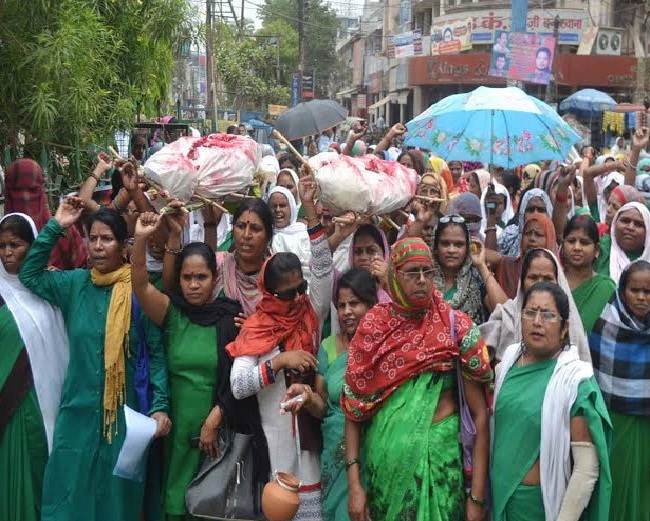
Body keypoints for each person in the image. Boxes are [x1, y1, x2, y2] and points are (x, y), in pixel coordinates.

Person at [19, 200, 170, 521]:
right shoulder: (74, 284)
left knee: (117, 504)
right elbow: (29, 275)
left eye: (107, 239)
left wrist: (160, 406)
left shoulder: (139, 291)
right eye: (93, 239)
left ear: (122, 246)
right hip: (77, 416)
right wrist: (56, 225)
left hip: (125, 420)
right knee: (67, 498)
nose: (98, 247)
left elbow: (156, 355)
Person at [343, 237, 493, 521]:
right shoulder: (373, 327)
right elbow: (354, 409)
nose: (422, 280)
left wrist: (476, 496)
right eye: (412, 273)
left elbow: (480, 415)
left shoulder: (456, 327)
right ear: (394, 276)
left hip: (441, 474)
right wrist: (354, 486)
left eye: (427, 272)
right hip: (384, 482)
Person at [130, 211, 261, 520]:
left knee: (210, 505)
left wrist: (214, 419)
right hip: (177, 433)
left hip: (218, 432)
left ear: (213, 279)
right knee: (174, 504)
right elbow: (139, 285)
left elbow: (238, 379)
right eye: (187, 278)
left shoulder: (230, 317)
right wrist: (140, 238)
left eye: (201, 277)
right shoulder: (172, 314)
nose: (192, 284)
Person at [228, 174, 332, 521]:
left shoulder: (309, 313)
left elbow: (323, 272)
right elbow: (239, 385)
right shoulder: (256, 327)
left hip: (310, 443)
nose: (300, 297)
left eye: (301, 288)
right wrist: (279, 361)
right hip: (272, 447)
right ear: (270, 294)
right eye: (290, 293)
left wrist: (313, 215)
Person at [491, 281, 611, 521]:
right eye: (530, 312)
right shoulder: (507, 365)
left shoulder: (575, 381)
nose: (537, 322)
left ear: (565, 327)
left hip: (539, 507)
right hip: (499, 500)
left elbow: (586, 469)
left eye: (547, 315)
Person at [282, 268, 378, 521]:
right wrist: (307, 395)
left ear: (371, 304)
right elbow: (323, 406)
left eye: (354, 304)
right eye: (341, 305)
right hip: (336, 453)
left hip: (376, 450)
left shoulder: (384, 347)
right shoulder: (328, 347)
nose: (346, 312)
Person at [0, 213, 70, 521]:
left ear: (33, 246)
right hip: (12, 408)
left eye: (15, 244)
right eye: (1, 246)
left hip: (53, 406)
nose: (7, 252)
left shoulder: (48, 289)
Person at [589, 260, 650, 520]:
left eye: (648, 292)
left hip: (646, 427)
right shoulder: (605, 328)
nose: (641, 297)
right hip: (613, 424)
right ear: (622, 290)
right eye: (635, 290)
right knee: (614, 490)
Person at [164, 197, 274, 319]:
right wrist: (175, 233)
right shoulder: (220, 264)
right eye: (241, 226)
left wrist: (253, 329)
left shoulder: (276, 274)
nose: (246, 235)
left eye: (255, 229)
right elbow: (171, 288)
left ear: (268, 235)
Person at [480, 248, 591, 363]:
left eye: (548, 278)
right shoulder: (507, 315)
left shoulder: (569, 322)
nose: (540, 283)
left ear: (558, 282)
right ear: (522, 283)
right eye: (533, 277)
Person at [4, 158, 87, 270]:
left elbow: (84, 272)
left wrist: (59, 278)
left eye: (32, 190)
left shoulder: (63, 230)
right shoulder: (2, 236)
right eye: (17, 190)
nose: (25, 197)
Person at [431, 214, 507, 325]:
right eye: (445, 243)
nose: (451, 250)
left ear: (467, 248)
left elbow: (505, 312)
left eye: (459, 244)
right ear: (435, 247)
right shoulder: (425, 278)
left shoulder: (476, 279)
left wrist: (481, 265)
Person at [562, 215, 616, 332]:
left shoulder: (606, 288)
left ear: (596, 250)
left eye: (584, 243)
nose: (577, 248)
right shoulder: (553, 280)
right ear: (563, 245)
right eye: (571, 241)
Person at [490, 212, 558, 299]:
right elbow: (482, 255)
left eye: (538, 235)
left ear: (548, 239)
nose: (532, 238)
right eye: (527, 233)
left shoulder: (556, 273)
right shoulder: (509, 265)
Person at [595, 201, 650, 282]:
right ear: (615, 223)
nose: (630, 227)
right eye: (625, 221)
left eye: (638, 224)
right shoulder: (600, 248)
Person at [269, 185, 311, 281]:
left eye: (282, 205)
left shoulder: (304, 234)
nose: (277, 210)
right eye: (273, 206)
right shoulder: (266, 235)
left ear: (291, 207)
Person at [497, 188, 553, 257]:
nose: (535, 214)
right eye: (530, 209)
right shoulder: (509, 236)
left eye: (541, 210)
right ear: (522, 213)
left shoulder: (553, 244)